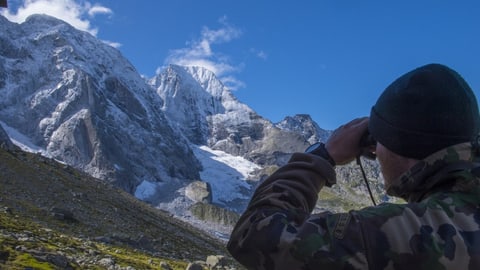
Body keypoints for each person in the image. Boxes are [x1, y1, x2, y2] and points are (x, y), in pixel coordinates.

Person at [227, 63, 480, 270]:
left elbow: (253, 235)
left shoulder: (391, 234)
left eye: (378, 140)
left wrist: (322, 157)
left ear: (392, 144)